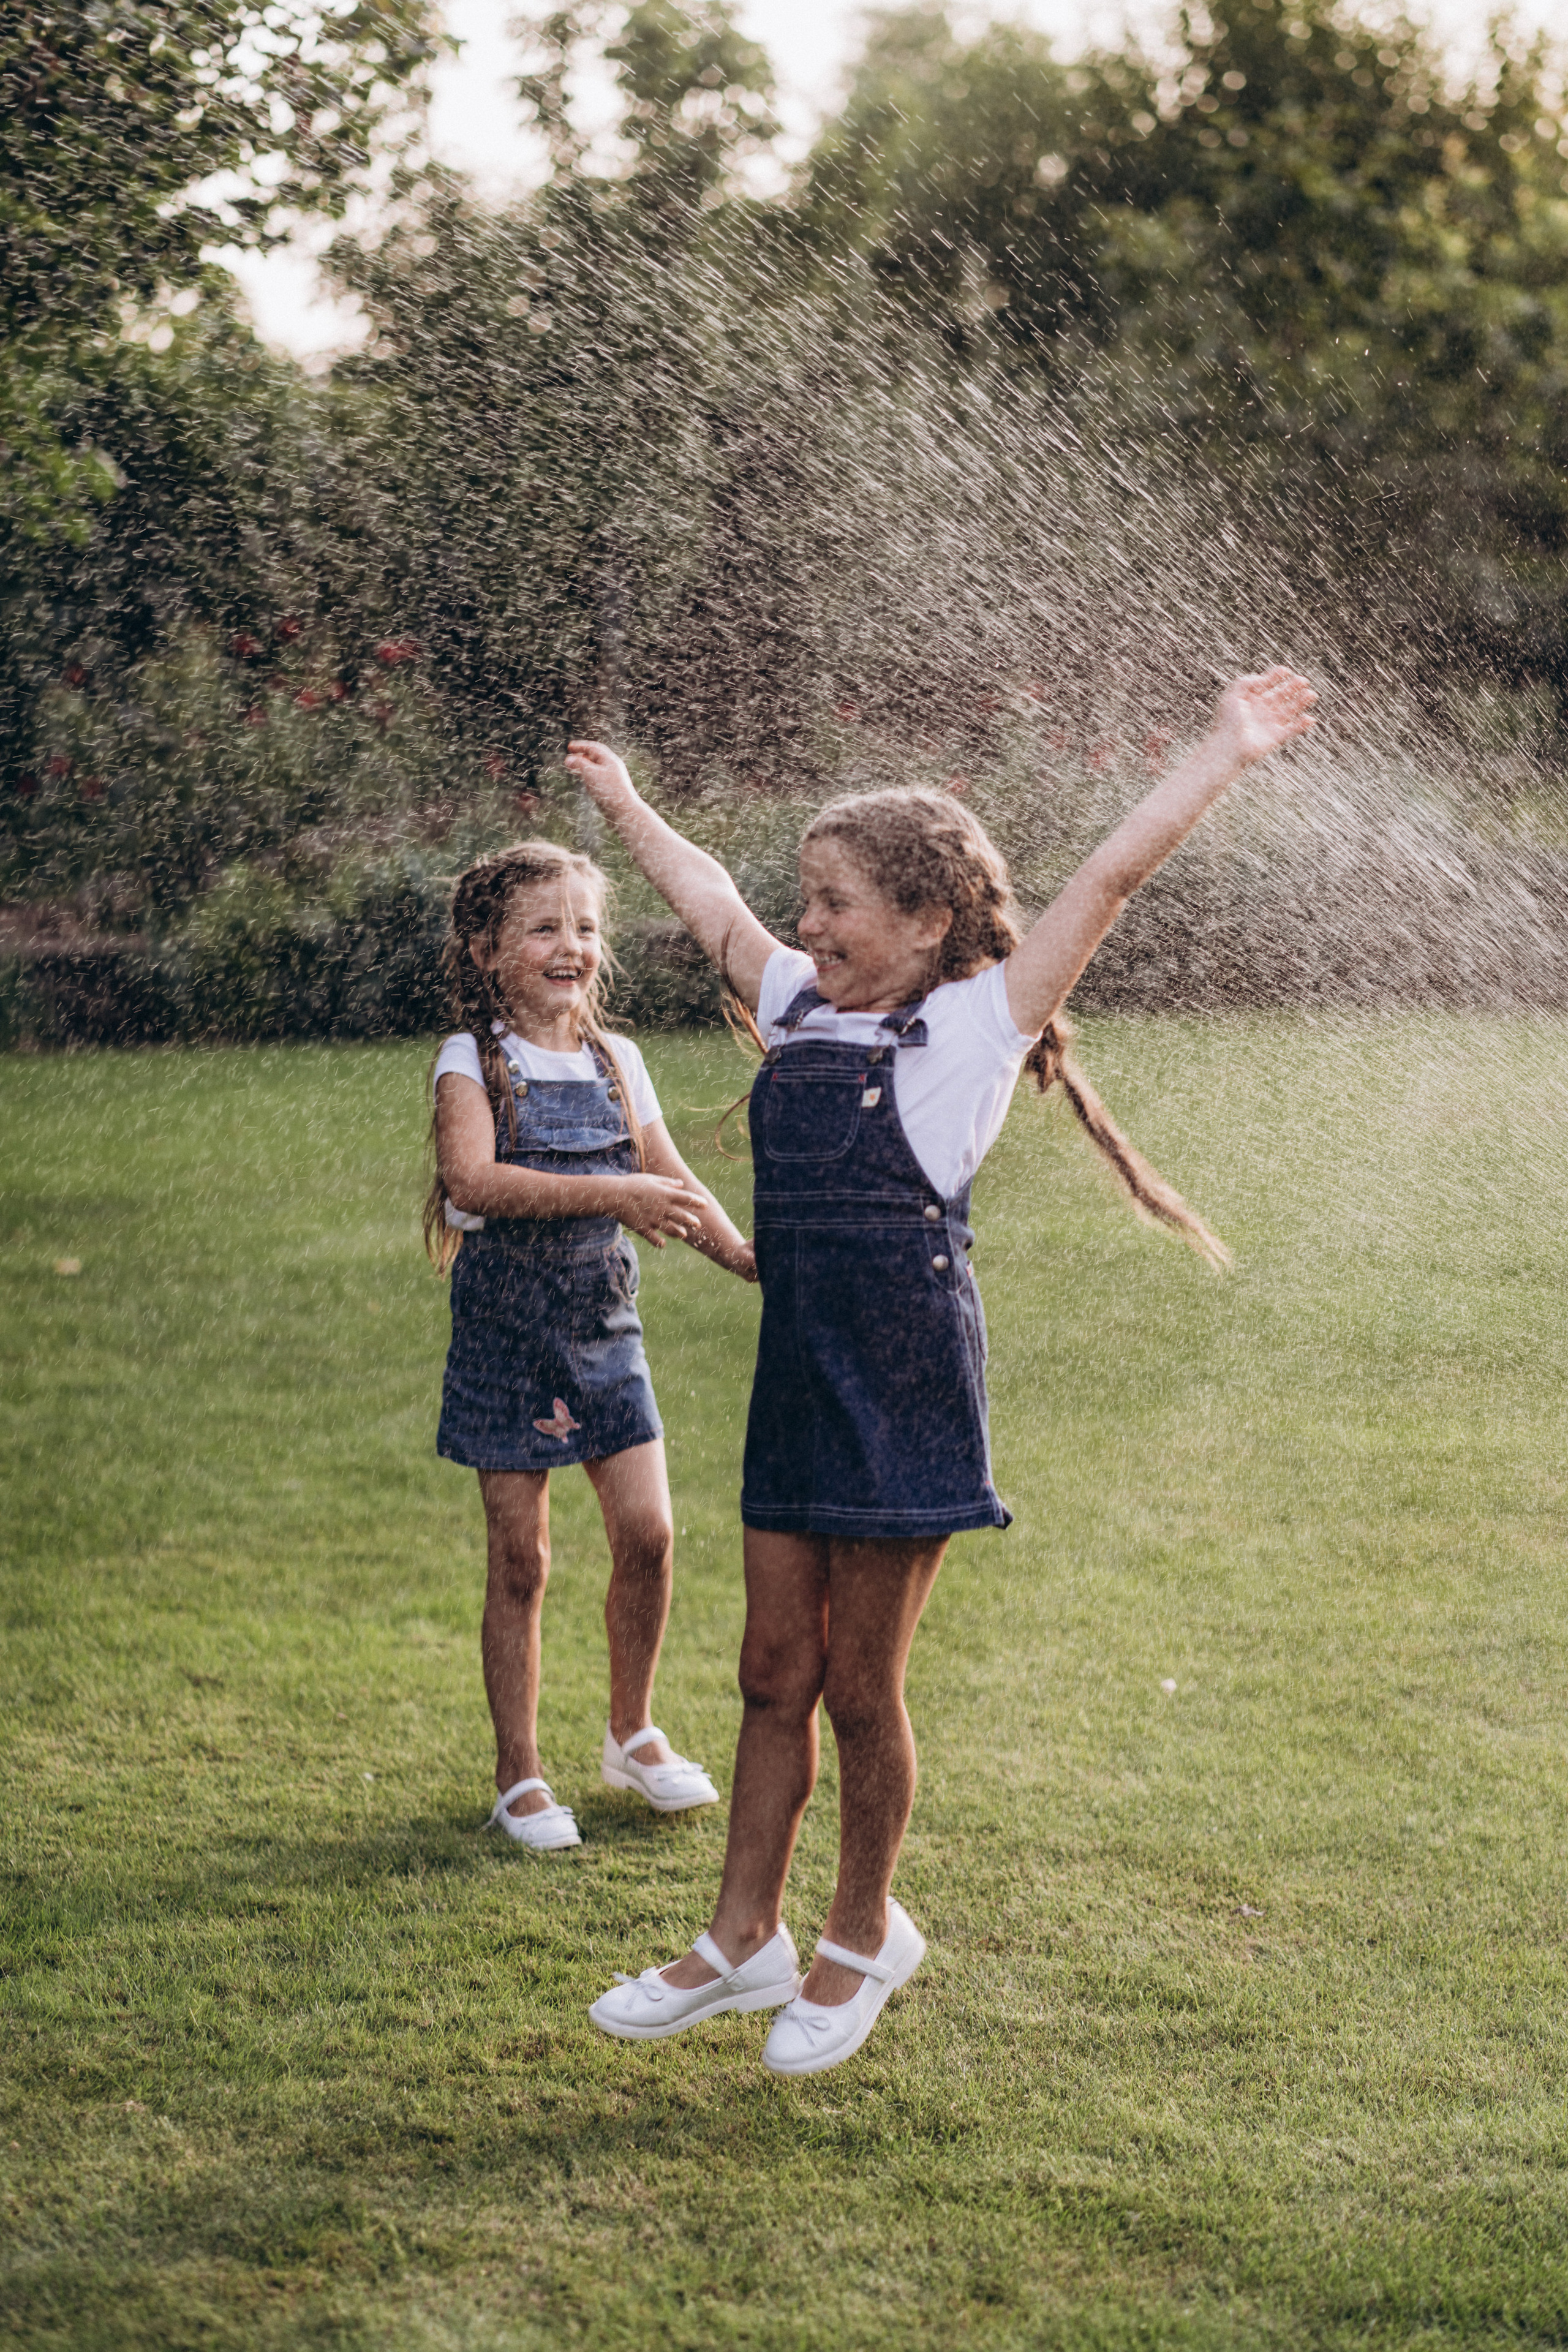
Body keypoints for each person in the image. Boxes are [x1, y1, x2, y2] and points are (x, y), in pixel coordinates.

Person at [569, 668, 1316, 2067]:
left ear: (923, 920)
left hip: (905, 1387)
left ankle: (859, 1941)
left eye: (836, 903)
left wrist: (1220, 751)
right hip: (798, 1375)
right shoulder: (799, 1007)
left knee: (862, 1690)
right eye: (807, 902)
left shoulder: (973, 1029)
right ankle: (741, 1941)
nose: (805, 926)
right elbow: (705, 904)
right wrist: (624, 804)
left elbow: (1104, 877)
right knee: (767, 1671)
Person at [424, 840, 757, 1852]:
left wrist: (750, 1260)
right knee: (521, 1561)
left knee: (649, 1536)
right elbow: (472, 1184)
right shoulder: (471, 1062)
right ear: (488, 950)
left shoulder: (620, 1061)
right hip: (506, 1334)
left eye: (586, 927)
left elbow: (673, 1179)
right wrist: (614, 1195)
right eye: (543, 927)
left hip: (604, 1326)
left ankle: (632, 1732)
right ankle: (518, 1774)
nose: (572, 945)